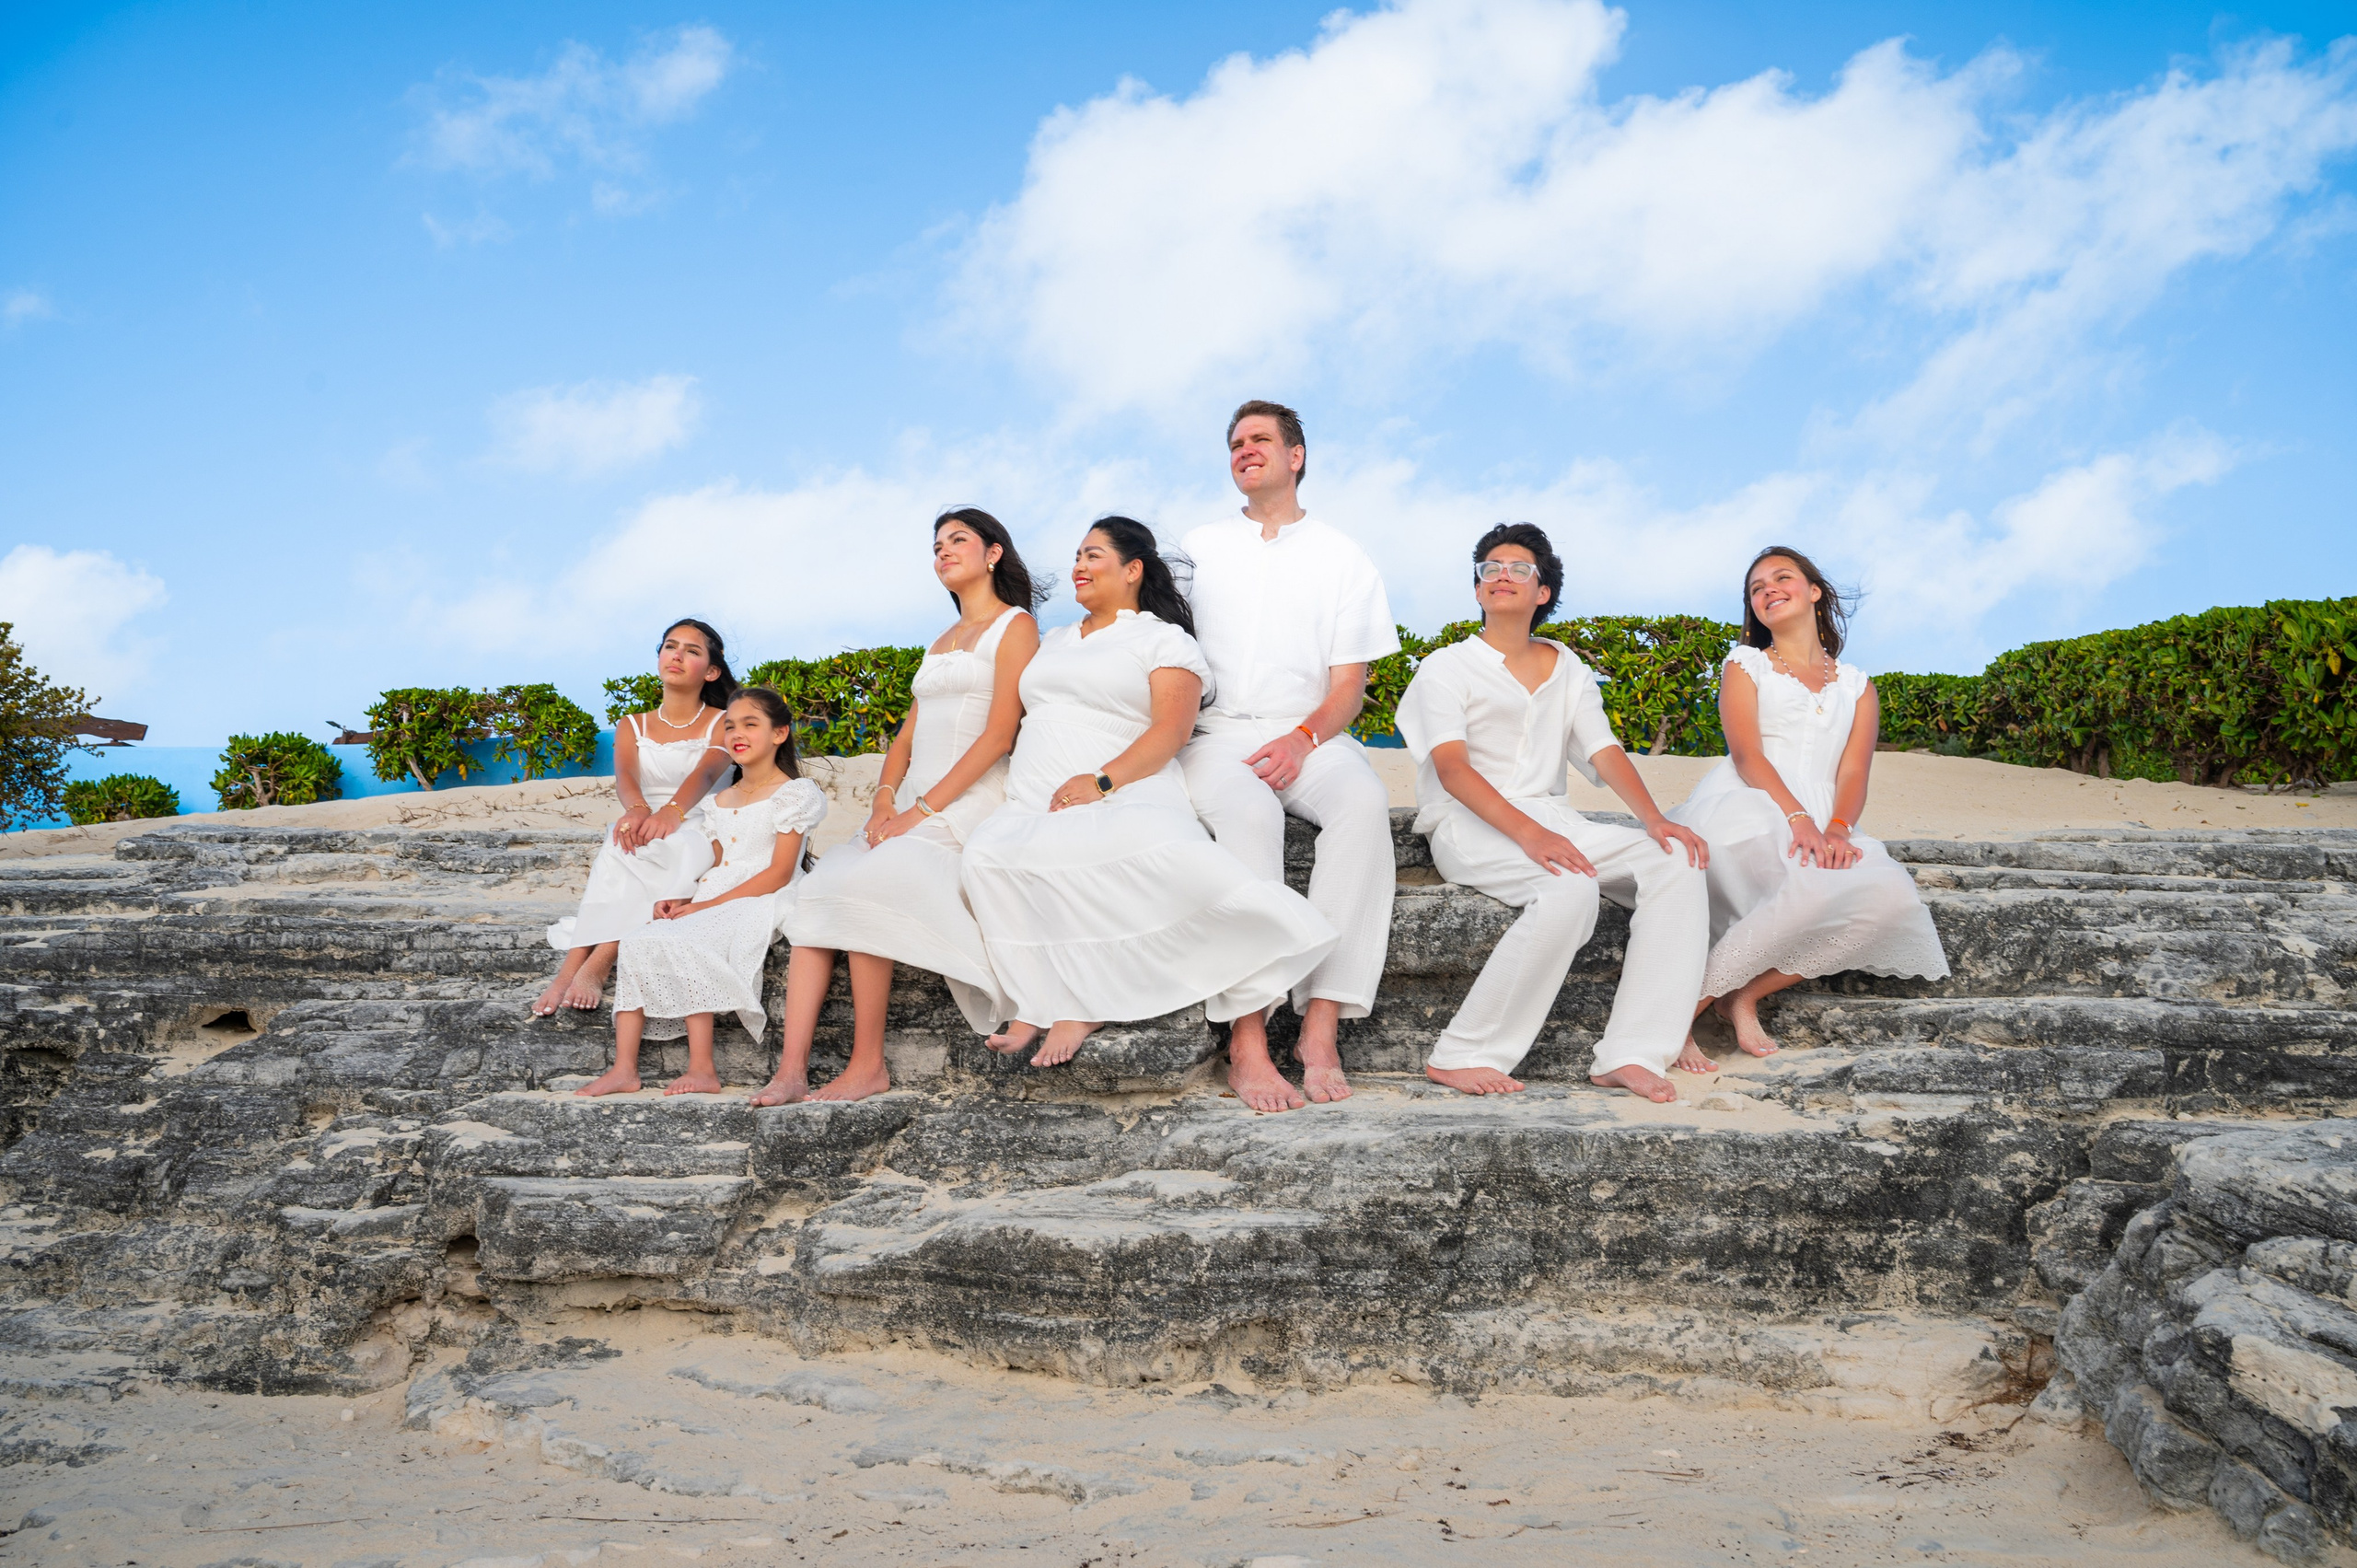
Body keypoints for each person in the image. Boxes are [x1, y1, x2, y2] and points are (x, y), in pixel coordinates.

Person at [959, 516, 1337, 1069]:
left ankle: (1085, 1003)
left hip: (1123, 784)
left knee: (1124, 846)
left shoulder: (1162, 639)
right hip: (1034, 795)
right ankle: (1038, 999)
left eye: (1093, 556)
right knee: (985, 857)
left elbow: (1171, 729)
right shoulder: (1055, 640)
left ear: (1133, 569)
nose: (1078, 567)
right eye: (1077, 556)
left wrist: (1102, 780)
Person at [1394, 524, 1712, 1103]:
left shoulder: (1567, 666)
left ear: (1543, 592)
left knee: (1677, 863)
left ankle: (1631, 1052)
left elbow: (1602, 750)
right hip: (1470, 823)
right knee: (1570, 891)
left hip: (1553, 818)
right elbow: (1453, 771)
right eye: (1490, 569)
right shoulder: (1445, 666)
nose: (1502, 576)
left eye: (1519, 569)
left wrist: (1654, 819)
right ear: (1477, 590)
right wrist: (1530, 835)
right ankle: (1463, 1053)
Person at [756, 509, 1042, 1106]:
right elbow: (906, 738)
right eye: (936, 544)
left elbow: (998, 735)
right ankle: (791, 1068)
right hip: (910, 802)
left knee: (873, 881)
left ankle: (867, 1064)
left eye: (957, 540)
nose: (942, 551)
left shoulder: (1015, 627)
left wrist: (922, 812)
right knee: (822, 886)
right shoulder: (940, 642)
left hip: (969, 802)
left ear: (994, 553)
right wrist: (885, 801)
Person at [1175, 400, 1399, 1113]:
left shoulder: (1345, 557)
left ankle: (1321, 1024)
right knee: (1248, 816)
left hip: (1310, 733)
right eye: (1235, 442)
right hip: (1215, 735)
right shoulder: (1196, 547)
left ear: (1296, 455)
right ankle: (1247, 1039)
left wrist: (1303, 740)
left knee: (1363, 805)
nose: (1244, 449)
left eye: (1260, 439)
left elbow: (1348, 691)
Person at [1667, 546, 1948, 1056]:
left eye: (1781, 578)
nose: (1768, 589)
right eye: (1757, 588)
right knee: (1807, 886)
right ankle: (1679, 1014)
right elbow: (1747, 753)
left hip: (1827, 815)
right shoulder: (1745, 663)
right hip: (1751, 800)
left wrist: (1838, 827)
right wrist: (1796, 817)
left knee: (1889, 898)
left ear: (1814, 591)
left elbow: (1855, 769)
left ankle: (1743, 996)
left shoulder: (1858, 686)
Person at [576, 688, 829, 1098]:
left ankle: (703, 1068)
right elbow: (713, 864)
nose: (737, 733)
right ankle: (624, 1068)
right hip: (717, 892)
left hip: (763, 895)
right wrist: (687, 899)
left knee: (688, 942)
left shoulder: (795, 794)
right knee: (640, 940)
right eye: (729, 726)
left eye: (751, 724)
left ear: (780, 733)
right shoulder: (720, 800)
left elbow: (780, 873)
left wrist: (707, 907)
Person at [536, 619, 737, 1016]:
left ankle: (604, 952)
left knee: (673, 846)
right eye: (670, 646)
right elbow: (626, 775)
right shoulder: (632, 723)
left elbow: (708, 771)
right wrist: (638, 809)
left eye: (692, 651)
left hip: (701, 816)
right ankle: (570, 967)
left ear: (711, 671)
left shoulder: (723, 720)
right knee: (621, 842)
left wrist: (672, 812)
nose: (676, 655)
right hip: (645, 812)